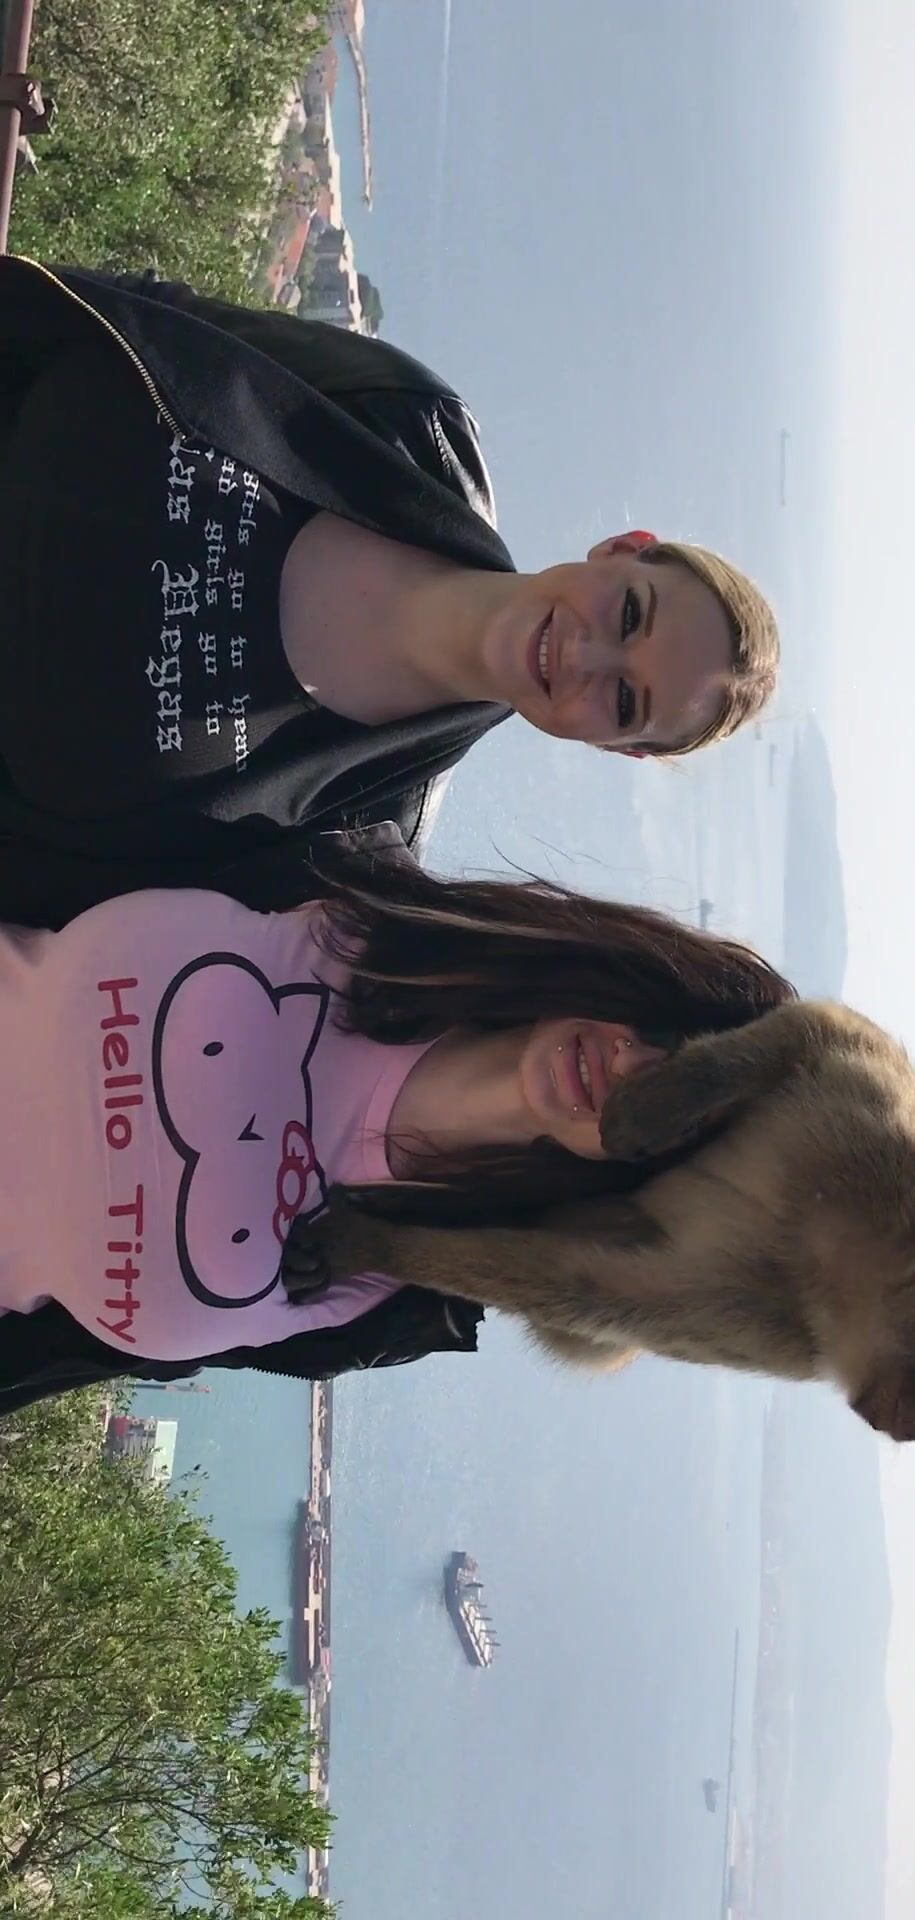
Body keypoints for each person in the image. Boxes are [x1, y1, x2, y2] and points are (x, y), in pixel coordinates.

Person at [0, 256, 779, 927]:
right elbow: (148, 320)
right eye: (630, 614)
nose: (586, 656)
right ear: (622, 549)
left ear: (618, 747)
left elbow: (84, 912)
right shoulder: (408, 419)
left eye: (625, 700)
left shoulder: (360, 847)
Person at [0, 823, 794, 1414]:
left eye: (670, 1101)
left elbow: (56, 1355)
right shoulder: (363, 900)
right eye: (659, 1031)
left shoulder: (385, 1290)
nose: (629, 1061)